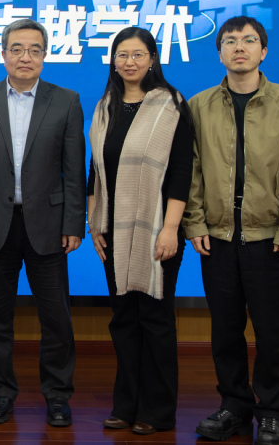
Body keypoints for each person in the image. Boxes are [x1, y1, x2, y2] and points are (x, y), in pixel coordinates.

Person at [184, 16, 279, 445]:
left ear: (263, 51)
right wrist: (195, 222)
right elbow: (190, 171)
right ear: (220, 53)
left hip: (270, 240)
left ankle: (272, 411)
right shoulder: (199, 105)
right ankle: (234, 406)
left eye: (249, 40)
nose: (239, 47)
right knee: (225, 331)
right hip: (219, 239)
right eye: (230, 41)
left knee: (273, 332)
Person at [0, 17, 85, 427]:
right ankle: (1, 392)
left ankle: (58, 394)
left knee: (57, 318)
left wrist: (74, 223)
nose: (25, 57)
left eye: (35, 49)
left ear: (45, 55)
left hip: (48, 225)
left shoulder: (66, 100)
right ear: (2, 54)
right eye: (16, 49)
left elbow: (74, 170)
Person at [86, 27, 193, 435]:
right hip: (113, 230)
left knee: (155, 319)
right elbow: (95, 171)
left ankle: (157, 411)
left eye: (138, 54)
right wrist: (94, 224)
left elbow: (182, 171)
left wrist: (170, 229)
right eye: (122, 54)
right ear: (113, 62)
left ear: (152, 60)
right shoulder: (105, 108)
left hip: (157, 231)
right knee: (123, 319)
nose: (129, 61)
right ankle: (125, 406)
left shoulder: (171, 105)